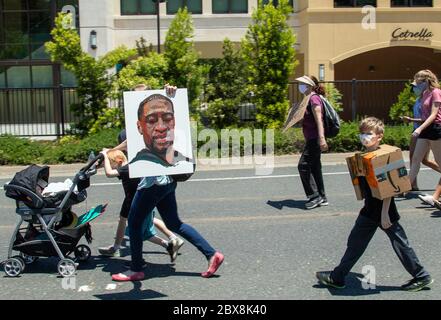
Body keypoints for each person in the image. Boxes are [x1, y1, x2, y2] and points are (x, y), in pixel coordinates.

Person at [111, 85, 224, 282]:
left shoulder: (158, 111)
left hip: (153, 181)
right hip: (167, 179)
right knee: (173, 223)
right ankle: (212, 254)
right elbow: (131, 142)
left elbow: (174, 110)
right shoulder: (136, 120)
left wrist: (170, 91)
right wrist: (112, 150)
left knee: (135, 222)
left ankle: (136, 269)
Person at [316, 117, 433, 292]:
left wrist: (385, 213)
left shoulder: (384, 157)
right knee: (356, 242)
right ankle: (338, 276)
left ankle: (421, 276)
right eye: (362, 133)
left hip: (382, 210)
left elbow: (390, 188)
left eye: (369, 133)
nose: (364, 137)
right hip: (370, 209)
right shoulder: (365, 156)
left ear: (379, 136)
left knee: (399, 245)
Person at [98, 149, 184, 263]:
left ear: (118, 161)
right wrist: (99, 162)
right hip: (133, 198)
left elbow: (109, 173)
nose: (110, 166)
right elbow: (108, 168)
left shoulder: (126, 168)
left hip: (135, 200)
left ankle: (170, 242)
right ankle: (171, 241)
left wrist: (104, 155)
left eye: (110, 163)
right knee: (143, 222)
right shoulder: (127, 167)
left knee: (140, 230)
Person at [296, 75, 329, 210]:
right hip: (312, 138)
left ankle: (314, 196)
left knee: (303, 166)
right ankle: (322, 196)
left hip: (315, 139)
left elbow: (319, 119)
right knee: (315, 167)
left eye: (303, 84)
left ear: (309, 85)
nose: (300, 86)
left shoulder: (314, 98)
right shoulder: (308, 99)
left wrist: (321, 138)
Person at [400, 82, 441, 191]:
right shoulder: (420, 99)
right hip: (420, 130)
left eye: (416, 86)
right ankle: (410, 186)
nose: (414, 88)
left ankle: (412, 185)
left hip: (426, 129)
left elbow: (429, 117)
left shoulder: (433, 94)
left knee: (430, 159)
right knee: (417, 159)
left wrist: (411, 120)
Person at [130, 93, 188, 167]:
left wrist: (170, 92)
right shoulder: (135, 167)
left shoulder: (183, 162)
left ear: (174, 121)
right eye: (151, 121)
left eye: (167, 119)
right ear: (139, 127)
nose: (161, 127)